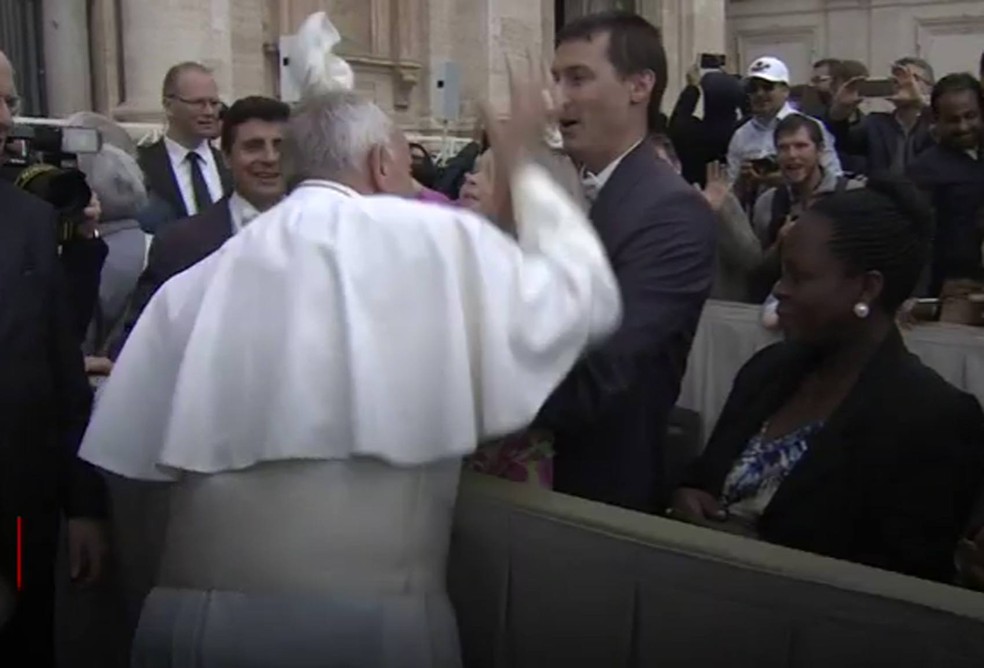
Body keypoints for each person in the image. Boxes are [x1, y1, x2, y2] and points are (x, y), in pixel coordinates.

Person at [77, 61, 621, 667]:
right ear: (381, 165)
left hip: (185, 625)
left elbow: (135, 473)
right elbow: (582, 303)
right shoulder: (424, 243)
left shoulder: (194, 282)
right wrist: (526, 163)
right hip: (361, 626)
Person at [670, 176, 984, 583]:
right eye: (782, 273)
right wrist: (687, 497)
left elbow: (903, 586)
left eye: (799, 278)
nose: (779, 291)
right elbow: (702, 477)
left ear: (867, 288)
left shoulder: (935, 419)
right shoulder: (766, 371)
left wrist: (759, 554)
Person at [543, 10, 716, 512]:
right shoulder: (562, 191)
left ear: (639, 86)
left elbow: (604, 375)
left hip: (594, 495)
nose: (559, 98)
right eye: (555, 80)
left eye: (578, 78)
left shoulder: (671, 212)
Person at [0, 49, 108, 666]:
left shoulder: (30, 222)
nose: (9, 116)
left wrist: (84, 505)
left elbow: (60, 368)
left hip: (15, 522)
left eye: (12, 99)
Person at [111, 96, 290, 357]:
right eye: (253, 147)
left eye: (279, 146)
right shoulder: (179, 243)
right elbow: (143, 333)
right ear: (226, 157)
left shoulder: (326, 233)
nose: (270, 158)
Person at [907, 73, 984, 297]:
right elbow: (920, 239)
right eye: (953, 120)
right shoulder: (924, 169)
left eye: (970, 116)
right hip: (956, 290)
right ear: (937, 121)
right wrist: (917, 296)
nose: (963, 126)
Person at [137, 62, 232, 222]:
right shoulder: (141, 166)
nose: (209, 112)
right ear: (169, 106)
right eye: (198, 103)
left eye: (214, 103)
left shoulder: (230, 165)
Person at [826, 57, 935, 175]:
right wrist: (839, 112)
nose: (903, 83)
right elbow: (837, 147)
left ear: (929, 88)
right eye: (896, 78)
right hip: (883, 192)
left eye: (914, 78)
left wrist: (920, 103)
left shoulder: (936, 123)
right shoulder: (875, 124)